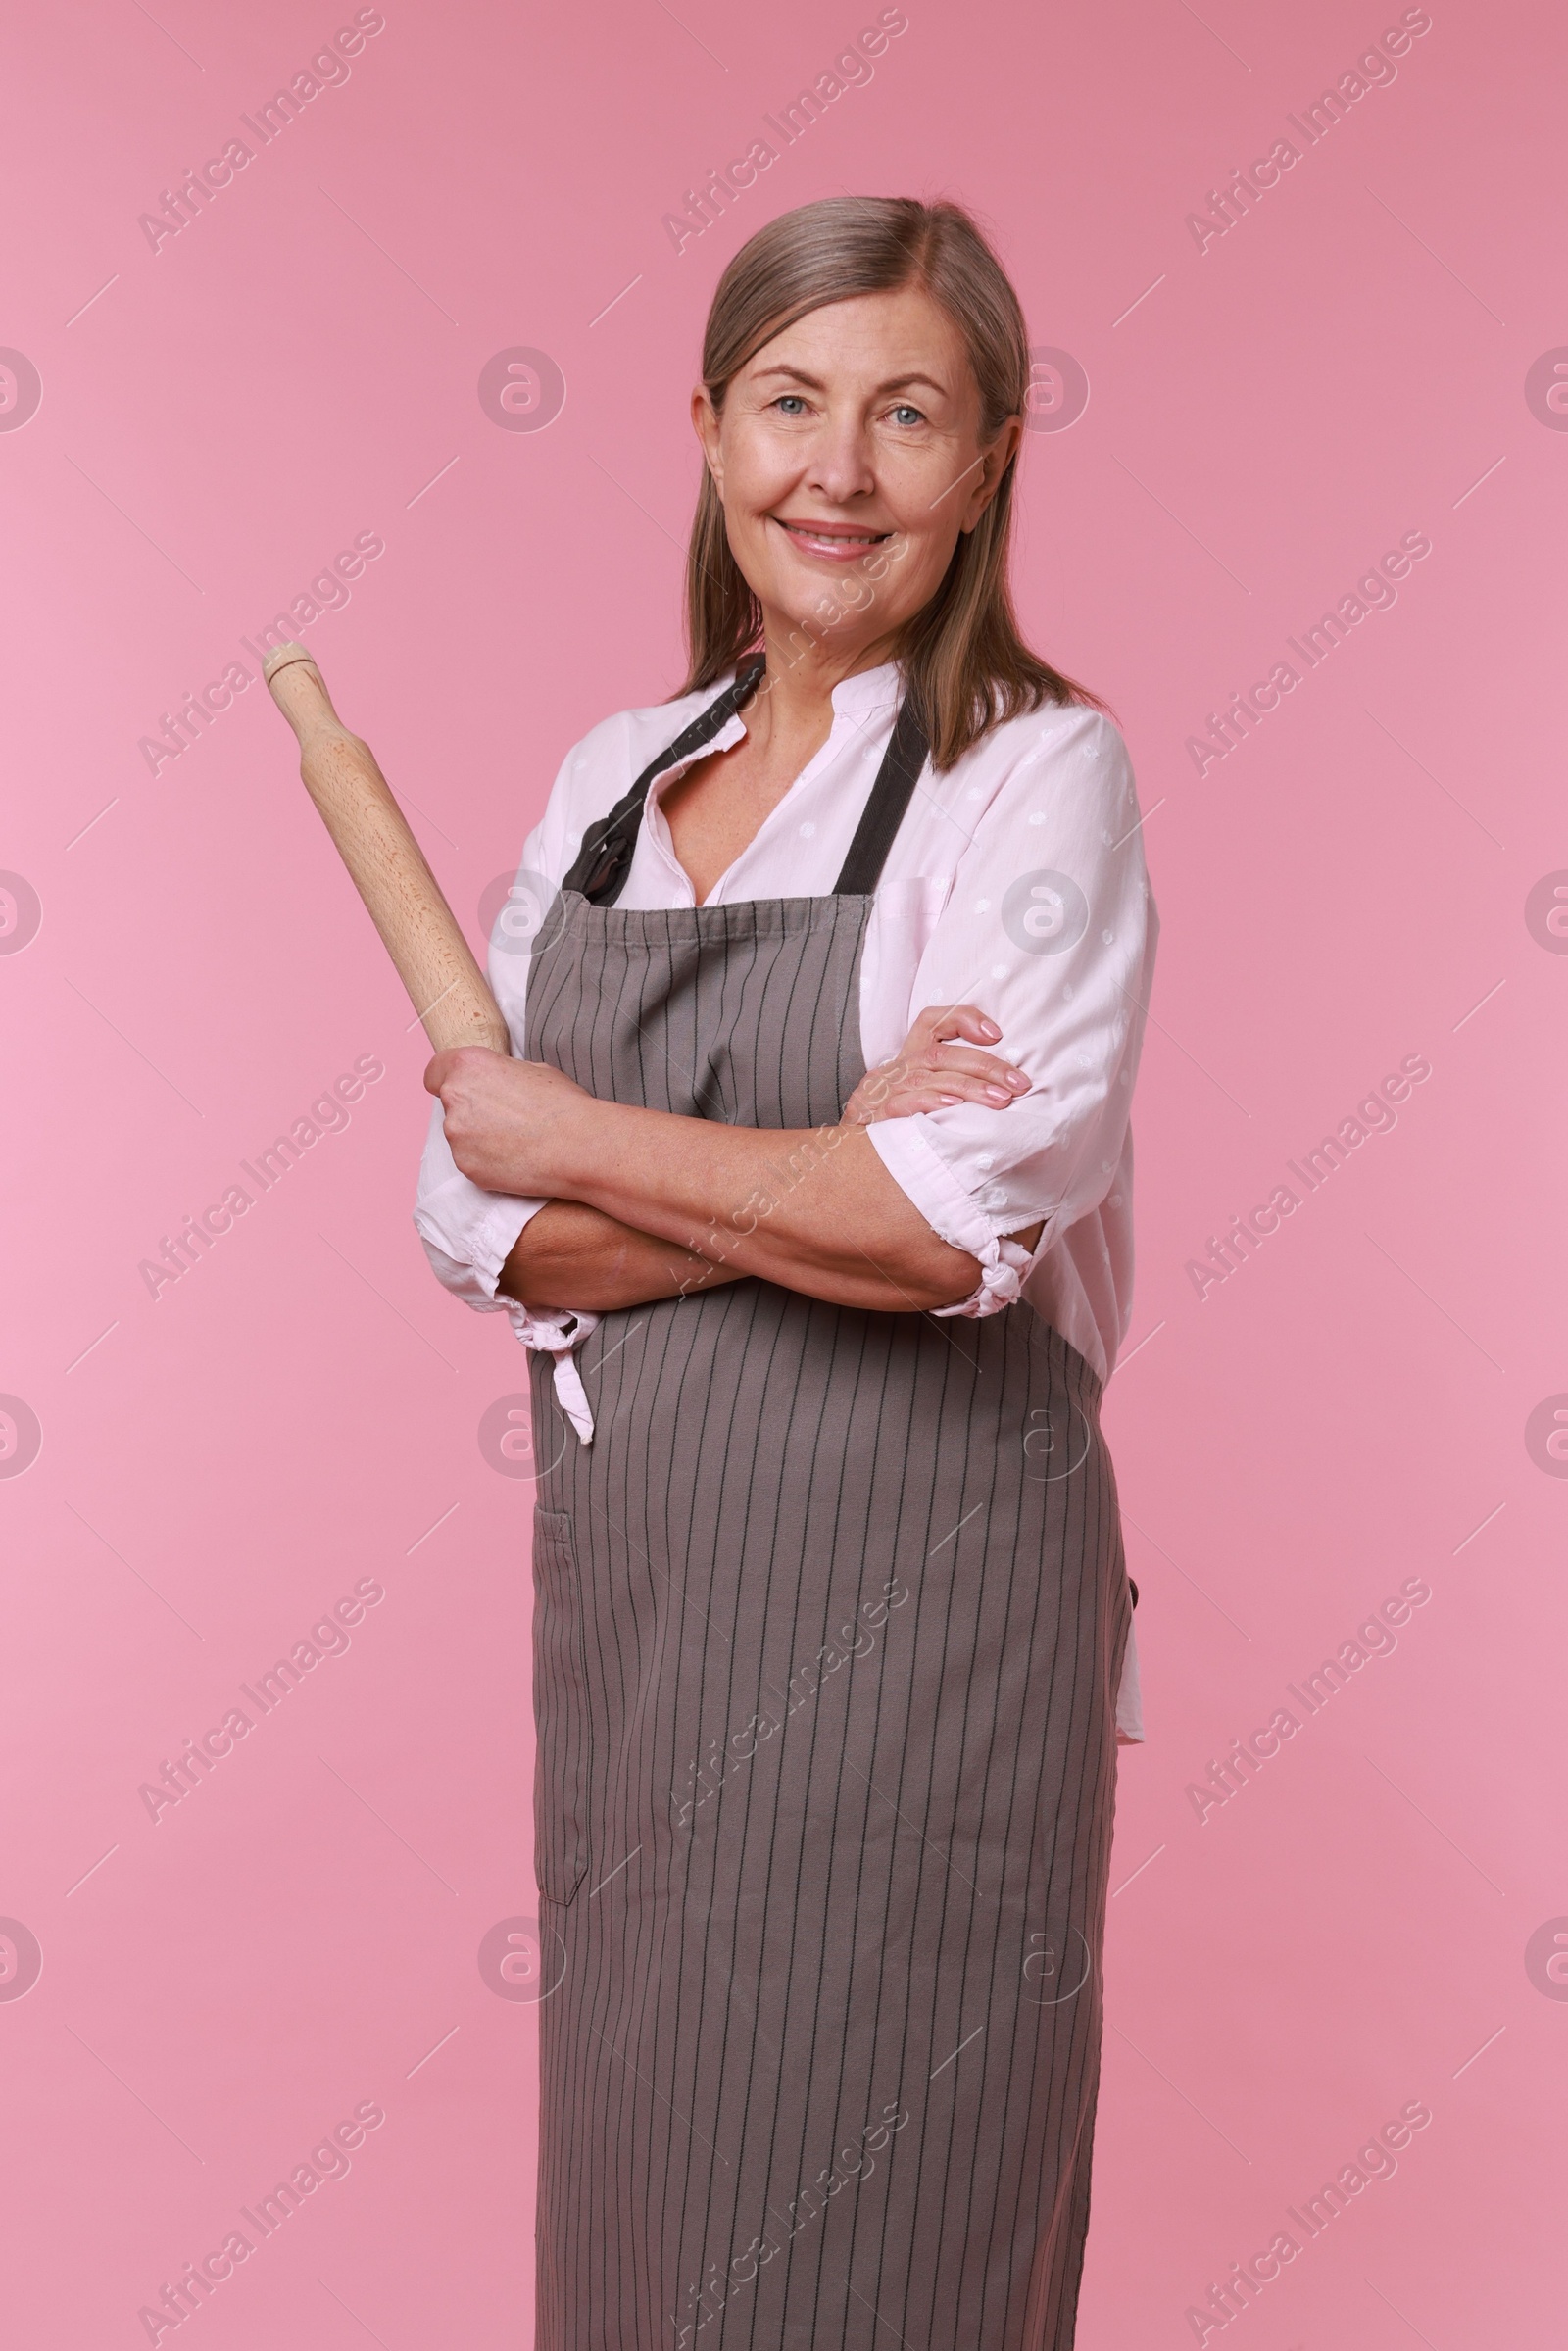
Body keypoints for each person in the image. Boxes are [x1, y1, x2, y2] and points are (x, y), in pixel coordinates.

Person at [416, 194, 1158, 2351]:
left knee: (889, 2249)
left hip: (918, 1661)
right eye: (789, 403)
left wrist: (586, 1137)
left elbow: (954, 1227)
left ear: (988, 457)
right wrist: (817, 1160)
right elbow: (473, 1221)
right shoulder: (603, 786)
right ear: (706, 430)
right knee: (648, 2240)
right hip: (648, 1657)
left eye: (905, 413)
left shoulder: (1032, 772)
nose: (836, 471)